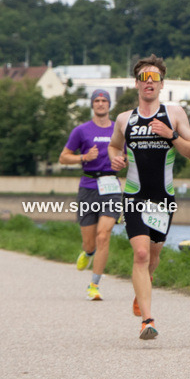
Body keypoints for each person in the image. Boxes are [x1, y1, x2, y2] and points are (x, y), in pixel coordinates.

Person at [108, 55, 190, 340]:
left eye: (155, 78)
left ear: (161, 84)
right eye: (144, 78)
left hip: (163, 197)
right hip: (134, 195)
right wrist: (115, 161)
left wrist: (170, 134)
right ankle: (147, 320)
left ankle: (143, 288)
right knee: (141, 253)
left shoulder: (174, 114)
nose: (149, 83)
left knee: (154, 255)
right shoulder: (125, 119)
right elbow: (113, 147)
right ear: (136, 84)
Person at [59, 89, 122, 301]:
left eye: (104, 100)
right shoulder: (81, 131)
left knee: (104, 235)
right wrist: (83, 157)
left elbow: (130, 155)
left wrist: (124, 161)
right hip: (88, 186)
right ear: (92, 104)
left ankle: (94, 285)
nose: (101, 103)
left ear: (109, 104)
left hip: (111, 186)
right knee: (90, 243)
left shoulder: (118, 129)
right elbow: (63, 158)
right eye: (97, 100)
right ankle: (87, 253)